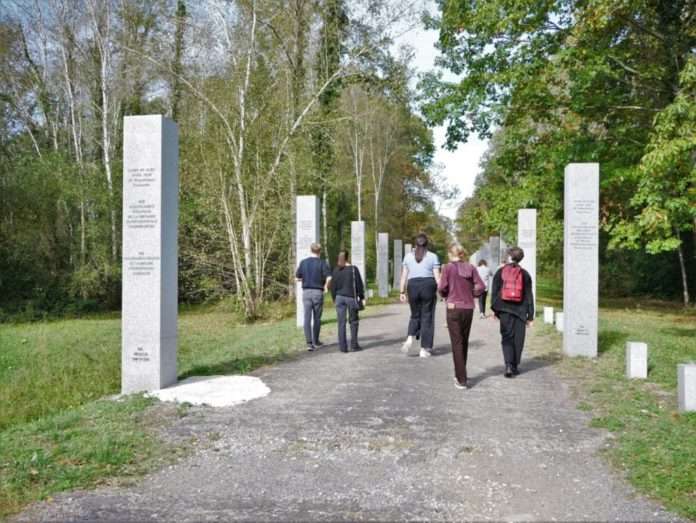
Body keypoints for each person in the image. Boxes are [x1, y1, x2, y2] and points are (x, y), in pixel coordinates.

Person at [439, 244, 485, 389]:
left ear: (450, 254)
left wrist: (445, 295)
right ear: (462, 254)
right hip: (468, 308)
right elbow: (481, 286)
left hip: (453, 308)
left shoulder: (447, 268)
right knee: (463, 341)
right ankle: (461, 373)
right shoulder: (471, 268)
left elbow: (441, 288)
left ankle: (461, 379)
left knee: (457, 343)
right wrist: (472, 294)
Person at [490, 246, 535, 377]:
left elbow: (495, 292)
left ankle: (508, 365)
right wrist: (530, 316)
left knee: (507, 337)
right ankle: (515, 365)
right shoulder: (525, 274)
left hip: (504, 309)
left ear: (510, 256)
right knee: (519, 338)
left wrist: (495, 310)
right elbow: (529, 296)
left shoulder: (500, 272)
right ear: (521, 258)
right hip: (520, 311)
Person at [399, 233, 441, 358]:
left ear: (415, 244)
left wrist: (402, 292)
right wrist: (442, 292)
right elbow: (437, 277)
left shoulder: (408, 257)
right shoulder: (433, 256)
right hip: (428, 285)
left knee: (415, 315)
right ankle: (424, 349)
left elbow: (403, 276)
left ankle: (409, 338)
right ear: (427, 244)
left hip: (412, 286)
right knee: (427, 316)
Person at [296, 243, 332, 351]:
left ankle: (309, 344)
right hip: (317, 292)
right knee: (317, 318)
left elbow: (297, 278)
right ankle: (316, 341)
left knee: (307, 318)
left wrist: (305, 279)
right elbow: (329, 277)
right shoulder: (322, 263)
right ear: (320, 251)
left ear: (310, 250)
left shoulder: (303, 262)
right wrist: (326, 287)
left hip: (306, 292)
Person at [330, 250, 365, 352]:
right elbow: (359, 285)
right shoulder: (353, 269)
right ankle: (354, 345)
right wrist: (362, 297)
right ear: (347, 258)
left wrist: (334, 298)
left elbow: (333, 286)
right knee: (353, 321)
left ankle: (343, 347)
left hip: (339, 298)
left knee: (341, 323)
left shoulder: (336, 270)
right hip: (351, 298)